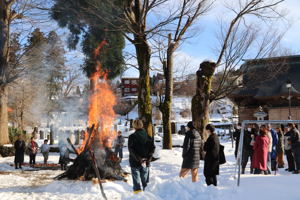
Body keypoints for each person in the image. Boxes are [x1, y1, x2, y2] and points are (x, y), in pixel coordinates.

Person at [128, 119, 155, 194]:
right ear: (141, 125)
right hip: (145, 162)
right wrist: (148, 158)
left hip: (135, 162)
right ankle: (146, 196)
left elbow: (131, 150)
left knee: (136, 183)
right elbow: (152, 148)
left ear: (134, 126)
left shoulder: (132, 137)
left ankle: (137, 196)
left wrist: (138, 158)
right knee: (145, 182)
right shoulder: (149, 137)